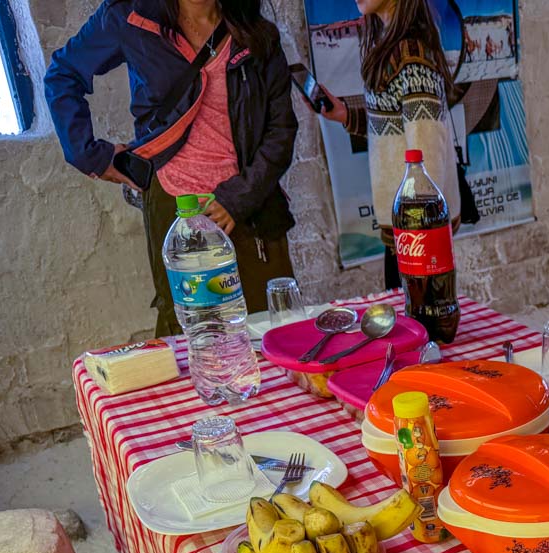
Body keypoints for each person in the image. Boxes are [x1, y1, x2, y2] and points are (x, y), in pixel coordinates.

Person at [45, 0, 298, 336]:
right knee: (189, 335)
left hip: (251, 207)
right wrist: (90, 155)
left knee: (273, 331)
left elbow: (281, 131)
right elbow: (63, 73)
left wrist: (238, 199)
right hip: (174, 210)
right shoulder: (132, 17)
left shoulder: (256, 32)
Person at [314, 0, 460, 289]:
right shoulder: (392, 44)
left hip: (416, 230)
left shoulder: (411, 55)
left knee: (421, 326)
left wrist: (417, 230)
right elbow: (397, 131)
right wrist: (347, 116)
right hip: (406, 229)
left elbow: (426, 150)